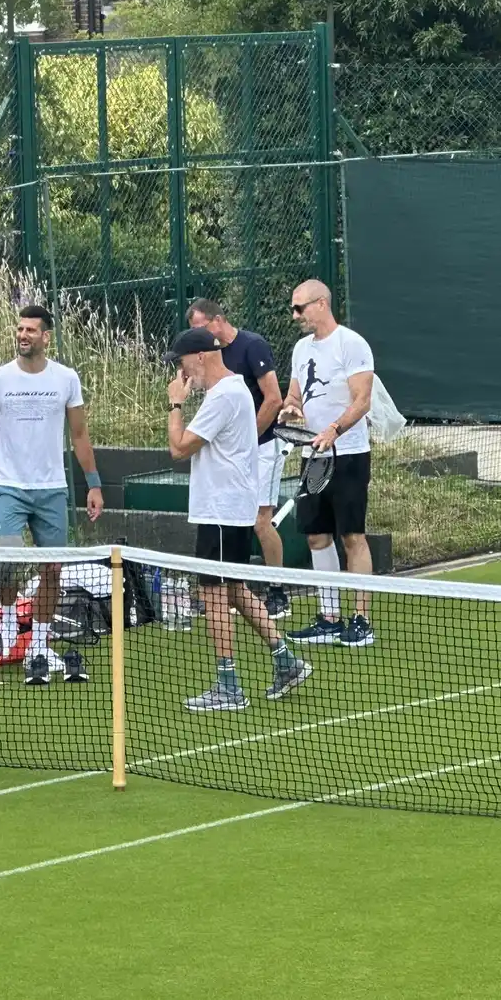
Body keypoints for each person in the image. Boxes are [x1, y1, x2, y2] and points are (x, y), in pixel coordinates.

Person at [164, 328, 312, 712]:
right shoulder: (230, 392)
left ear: (199, 356)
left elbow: (178, 448)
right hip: (229, 509)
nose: (181, 373)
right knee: (233, 589)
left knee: (212, 596)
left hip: (221, 512)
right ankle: (286, 660)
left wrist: (175, 405)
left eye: (181, 363)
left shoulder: (224, 395)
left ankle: (228, 685)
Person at [0, 304, 102, 686]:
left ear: (46, 337)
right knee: (7, 561)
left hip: (52, 490)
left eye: (30, 330)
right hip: (9, 487)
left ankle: (39, 644)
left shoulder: (66, 378)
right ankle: (9, 627)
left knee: (52, 570)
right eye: (19, 329)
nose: (23, 335)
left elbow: (79, 435)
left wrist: (93, 483)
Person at [280, 280, 376, 648]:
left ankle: (361, 619)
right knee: (317, 535)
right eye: (293, 308)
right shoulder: (301, 349)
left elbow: (362, 400)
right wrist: (291, 408)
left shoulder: (352, 344)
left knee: (352, 535)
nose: (295, 316)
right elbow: (294, 394)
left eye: (300, 308)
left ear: (321, 304)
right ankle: (330, 617)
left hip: (348, 454)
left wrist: (335, 429)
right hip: (313, 457)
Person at [187, 298, 290, 618]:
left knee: (261, 520)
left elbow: (274, 399)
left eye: (200, 328)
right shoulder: (209, 358)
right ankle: (234, 592)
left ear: (217, 321)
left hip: (263, 447)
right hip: (234, 453)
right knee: (238, 521)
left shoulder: (252, 346)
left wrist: (246, 440)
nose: (196, 337)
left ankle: (277, 591)